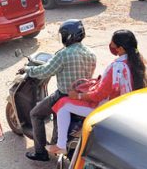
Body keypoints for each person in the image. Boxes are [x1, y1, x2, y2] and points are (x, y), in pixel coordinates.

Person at [46, 30, 147, 154]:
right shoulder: (138, 62)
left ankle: (61, 145)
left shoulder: (117, 67)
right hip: (123, 106)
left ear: (120, 49)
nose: (111, 47)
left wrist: (78, 95)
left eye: (113, 45)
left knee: (63, 104)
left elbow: (98, 95)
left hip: (106, 109)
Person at [24, 19, 97, 161]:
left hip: (63, 95)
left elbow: (45, 71)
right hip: (81, 96)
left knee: (35, 114)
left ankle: (40, 152)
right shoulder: (91, 53)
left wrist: (28, 69)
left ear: (68, 36)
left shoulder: (64, 54)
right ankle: (57, 141)